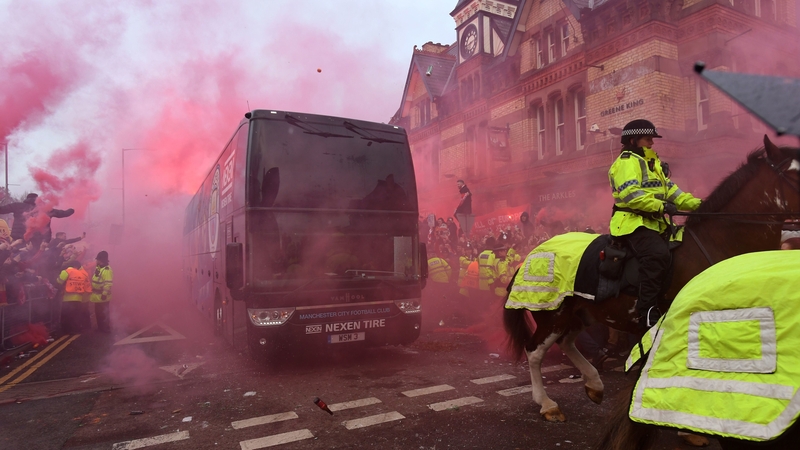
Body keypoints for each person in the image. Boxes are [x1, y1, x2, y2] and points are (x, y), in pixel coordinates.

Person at [608, 119, 701, 328]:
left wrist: (701, 205)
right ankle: (647, 310)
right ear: (633, 140)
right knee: (657, 254)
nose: (652, 143)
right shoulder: (626, 162)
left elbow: (674, 193)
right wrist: (661, 206)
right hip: (632, 223)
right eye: (648, 139)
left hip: (655, 223)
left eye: (652, 139)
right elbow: (632, 195)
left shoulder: (653, 163)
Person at [57, 260, 91, 333]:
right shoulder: (81, 273)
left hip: (67, 298)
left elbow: (59, 281)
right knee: (76, 316)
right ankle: (75, 330)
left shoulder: (67, 271)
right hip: (78, 298)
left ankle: (66, 331)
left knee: (66, 316)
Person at [90, 250, 114, 332]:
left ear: (102, 260)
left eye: (98, 259)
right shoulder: (98, 268)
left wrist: (104, 294)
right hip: (96, 296)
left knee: (104, 313)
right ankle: (100, 328)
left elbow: (108, 284)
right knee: (98, 313)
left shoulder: (107, 270)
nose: (97, 261)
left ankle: (106, 328)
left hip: (102, 296)